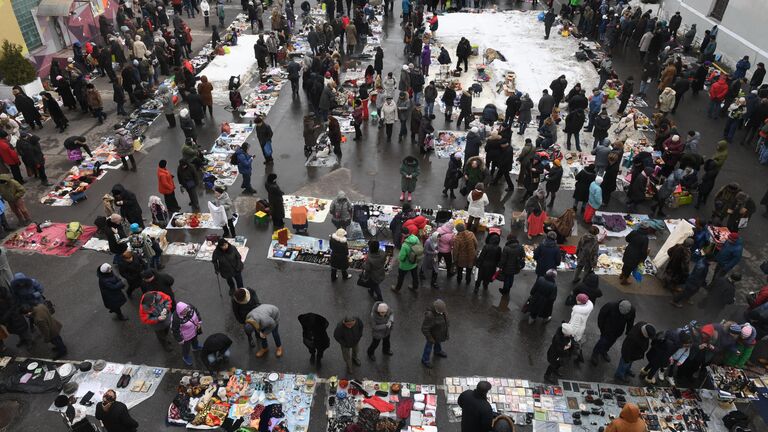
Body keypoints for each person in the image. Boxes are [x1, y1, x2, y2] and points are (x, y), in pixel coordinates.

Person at [591, 300, 635, 365]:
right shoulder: (610, 306)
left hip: (618, 331)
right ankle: (595, 353)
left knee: (611, 343)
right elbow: (601, 316)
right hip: (606, 330)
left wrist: (628, 332)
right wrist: (602, 328)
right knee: (602, 342)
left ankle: (604, 351)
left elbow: (630, 322)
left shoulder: (632, 310)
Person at [171, 301, 203, 366]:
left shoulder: (190, 307)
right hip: (186, 336)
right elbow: (175, 330)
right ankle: (185, 357)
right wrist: (180, 340)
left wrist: (199, 322)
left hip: (194, 330)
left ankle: (195, 347)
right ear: (180, 312)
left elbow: (197, 313)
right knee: (186, 347)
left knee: (195, 340)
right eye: (184, 311)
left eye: (187, 309)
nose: (187, 311)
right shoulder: (176, 319)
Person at [421, 299, 448, 368]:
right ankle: (425, 360)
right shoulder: (430, 315)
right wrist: (430, 338)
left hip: (439, 333)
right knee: (428, 348)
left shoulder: (442, 311)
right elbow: (424, 328)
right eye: (441, 312)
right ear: (436, 309)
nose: (442, 312)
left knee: (438, 342)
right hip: (432, 335)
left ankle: (437, 351)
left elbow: (445, 318)